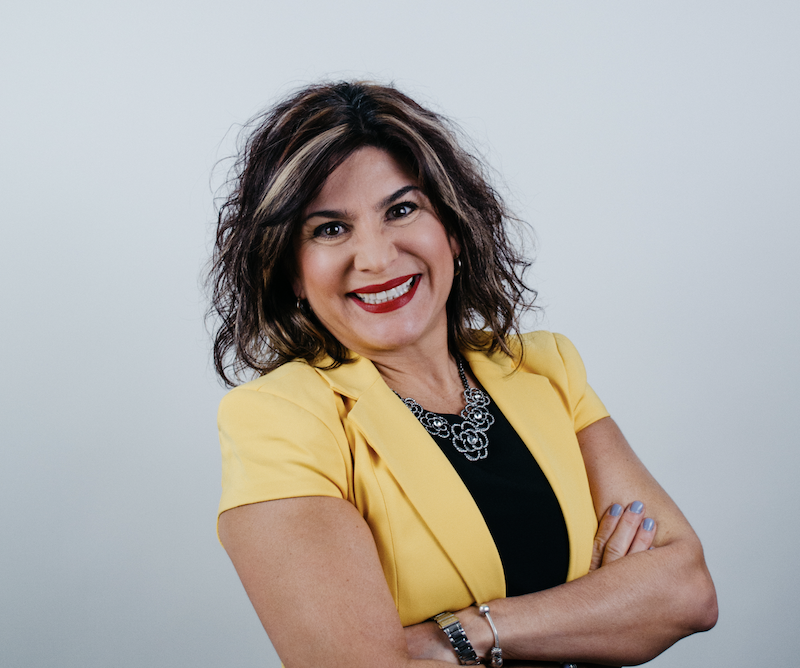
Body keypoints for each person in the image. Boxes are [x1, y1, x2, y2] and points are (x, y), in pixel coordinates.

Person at [208, 81, 717, 667]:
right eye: (329, 229)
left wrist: (466, 632)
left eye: (401, 210)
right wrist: (600, 606)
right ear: (292, 271)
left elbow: (686, 591)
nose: (374, 257)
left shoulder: (546, 369)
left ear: (451, 227)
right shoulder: (280, 418)